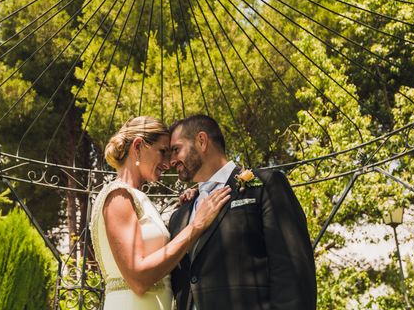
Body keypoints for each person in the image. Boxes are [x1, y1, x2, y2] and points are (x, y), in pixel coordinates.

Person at [168, 115, 317, 310]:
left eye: (176, 150)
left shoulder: (265, 185)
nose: (171, 161)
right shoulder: (179, 216)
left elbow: (293, 271)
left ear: (202, 141)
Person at [90, 116, 231, 310]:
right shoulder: (118, 197)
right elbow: (139, 278)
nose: (168, 163)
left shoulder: (138, 199)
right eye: (163, 152)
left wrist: (191, 203)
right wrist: (196, 225)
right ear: (138, 146)